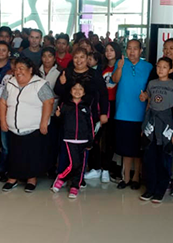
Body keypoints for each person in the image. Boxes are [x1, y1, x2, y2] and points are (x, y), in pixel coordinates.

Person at [0, 57, 54, 193]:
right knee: (14, 154)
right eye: (16, 69)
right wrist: (3, 121)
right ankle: (13, 178)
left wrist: (44, 123)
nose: (18, 72)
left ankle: (31, 179)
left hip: (33, 128)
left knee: (31, 155)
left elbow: (49, 102)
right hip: (13, 128)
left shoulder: (39, 84)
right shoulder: (10, 82)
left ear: (30, 70)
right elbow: (2, 102)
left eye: (22, 68)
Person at [54, 48, 109, 181]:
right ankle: (63, 175)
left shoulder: (94, 74)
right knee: (66, 144)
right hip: (68, 115)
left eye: (82, 57)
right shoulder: (66, 72)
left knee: (83, 146)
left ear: (87, 58)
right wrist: (62, 84)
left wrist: (103, 113)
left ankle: (78, 178)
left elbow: (103, 94)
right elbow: (58, 91)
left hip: (87, 115)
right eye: (76, 57)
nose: (79, 61)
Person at [112, 39, 153, 190]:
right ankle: (126, 177)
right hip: (123, 112)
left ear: (141, 50)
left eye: (135, 48)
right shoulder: (120, 63)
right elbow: (115, 80)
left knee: (138, 148)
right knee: (125, 148)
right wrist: (120, 68)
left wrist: (147, 96)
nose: (132, 51)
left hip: (141, 113)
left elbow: (153, 88)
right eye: (129, 48)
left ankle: (137, 177)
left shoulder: (148, 66)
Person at [139, 57, 173, 203]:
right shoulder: (152, 83)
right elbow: (149, 105)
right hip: (152, 123)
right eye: (159, 66)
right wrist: (144, 127)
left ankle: (160, 190)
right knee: (149, 158)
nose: (161, 69)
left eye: (164, 67)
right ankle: (150, 188)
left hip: (166, 124)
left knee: (164, 159)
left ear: (170, 69)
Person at [51, 81, 94, 199]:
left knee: (80, 165)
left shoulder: (86, 107)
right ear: (70, 91)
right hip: (69, 139)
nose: (77, 91)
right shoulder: (65, 105)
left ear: (84, 92)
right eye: (74, 88)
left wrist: (91, 140)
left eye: (80, 89)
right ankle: (61, 178)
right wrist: (58, 116)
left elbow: (90, 125)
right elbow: (60, 123)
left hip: (83, 140)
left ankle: (75, 187)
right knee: (74, 164)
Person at [96, 42, 122, 183]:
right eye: (106, 50)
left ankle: (106, 168)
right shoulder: (102, 68)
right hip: (103, 105)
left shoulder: (121, 67)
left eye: (112, 50)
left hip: (116, 105)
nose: (108, 53)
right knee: (100, 138)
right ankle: (98, 167)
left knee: (110, 138)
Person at [39, 47, 61, 175]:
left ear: (54, 58)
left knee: (53, 140)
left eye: (50, 56)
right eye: (44, 56)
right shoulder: (36, 71)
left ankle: (52, 167)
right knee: (41, 141)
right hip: (39, 110)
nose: (47, 59)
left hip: (54, 111)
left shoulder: (60, 71)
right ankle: (41, 166)